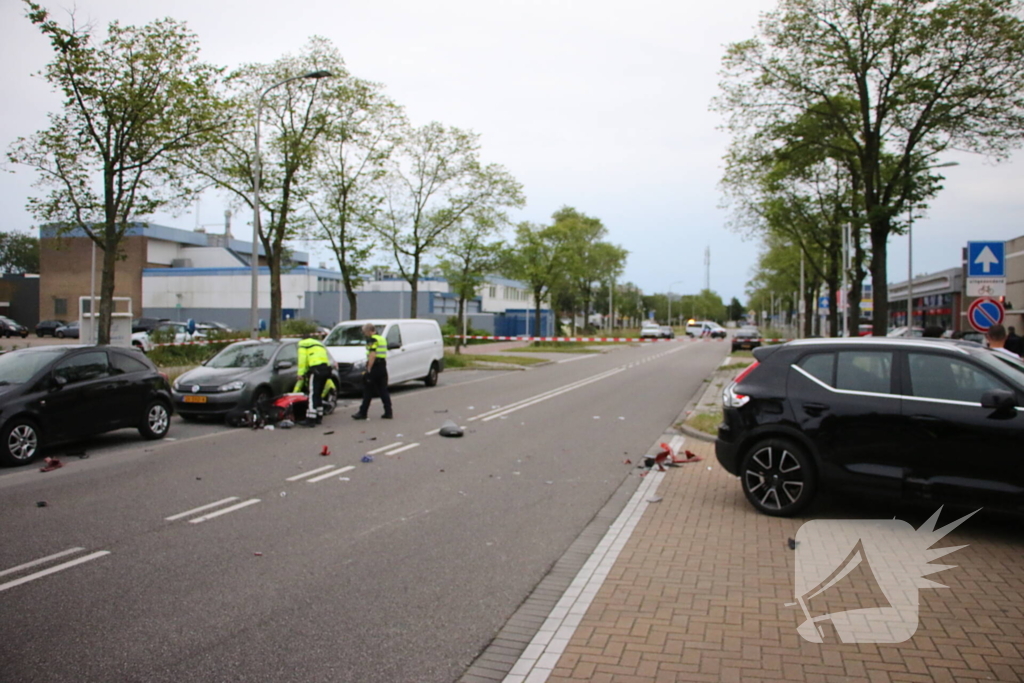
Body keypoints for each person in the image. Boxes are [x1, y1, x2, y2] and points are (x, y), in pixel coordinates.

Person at [352, 323, 393, 420]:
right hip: (382, 365)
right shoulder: (381, 338)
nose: (364, 334)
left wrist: (369, 368)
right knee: (383, 390)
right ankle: (388, 412)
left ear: (368, 331)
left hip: (375, 366)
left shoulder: (372, 339)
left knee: (368, 390)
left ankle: (363, 412)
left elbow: (372, 354)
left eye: (364, 332)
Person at [296, 333, 333, 426]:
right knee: (318, 393)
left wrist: (301, 373)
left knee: (313, 394)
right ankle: (319, 416)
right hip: (326, 369)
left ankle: (310, 419)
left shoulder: (303, 344)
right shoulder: (318, 343)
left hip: (316, 370)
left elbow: (302, 359)